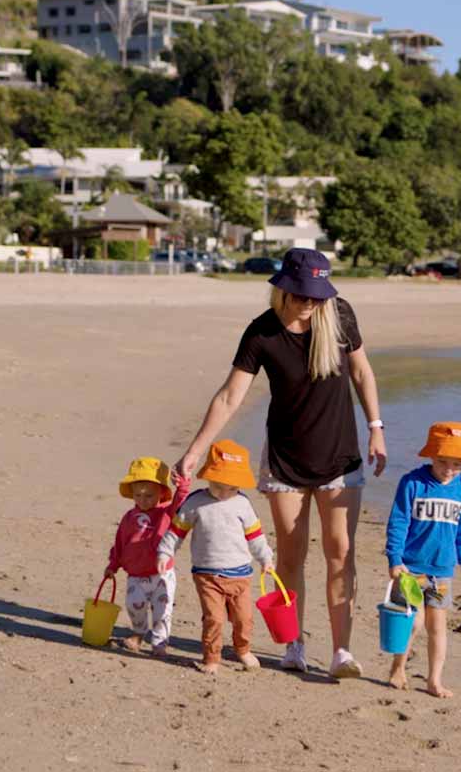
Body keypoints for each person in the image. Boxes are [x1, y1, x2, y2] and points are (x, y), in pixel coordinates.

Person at [174, 248, 385, 678]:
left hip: (340, 458)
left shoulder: (339, 316)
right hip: (286, 460)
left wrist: (376, 427)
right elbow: (230, 396)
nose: (310, 302)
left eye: (316, 294)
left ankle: (342, 651)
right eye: (303, 294)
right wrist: (196, 451)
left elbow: (362, 373)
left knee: (340, 552)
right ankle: (294, 644)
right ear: (284, 288)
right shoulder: (262, 333)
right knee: (289, 555)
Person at [384, 422, 461, 698]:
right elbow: (398, 522)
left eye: (457, 464)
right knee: (412, 622)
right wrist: (394, 558)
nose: (449, 469)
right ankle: (398, 667)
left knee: (437, 627)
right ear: (431, 456)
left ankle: (434, 680)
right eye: (443, 462)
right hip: (410, 568)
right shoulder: (412, 483)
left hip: (442, 572)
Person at [158, 439, 274, 674]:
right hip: (207, 575)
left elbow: (256, 536)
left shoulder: (242, 504)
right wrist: (165, 551)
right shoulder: (195, 503)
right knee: (215, 619)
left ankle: (242, 649)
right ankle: (211, 657)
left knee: (244, 619)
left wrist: (266, 559)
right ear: (209, 477)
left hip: (241, 574)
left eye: (231, 488)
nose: (224, 493)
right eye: (218, 486)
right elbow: (176, 531)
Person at [103, 457, 190, 655]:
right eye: (138, 495)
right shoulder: (129, 517)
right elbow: (120, 543)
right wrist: (113, 564)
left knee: (162, 611)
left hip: (161, 573)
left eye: (149, 495)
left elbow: (180, 502)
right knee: (134, 605)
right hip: (136, 573)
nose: (143, 500)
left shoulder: (166, 513)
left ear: (161, 493)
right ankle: (138, 633)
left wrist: (183, 484)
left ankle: (160, 642)